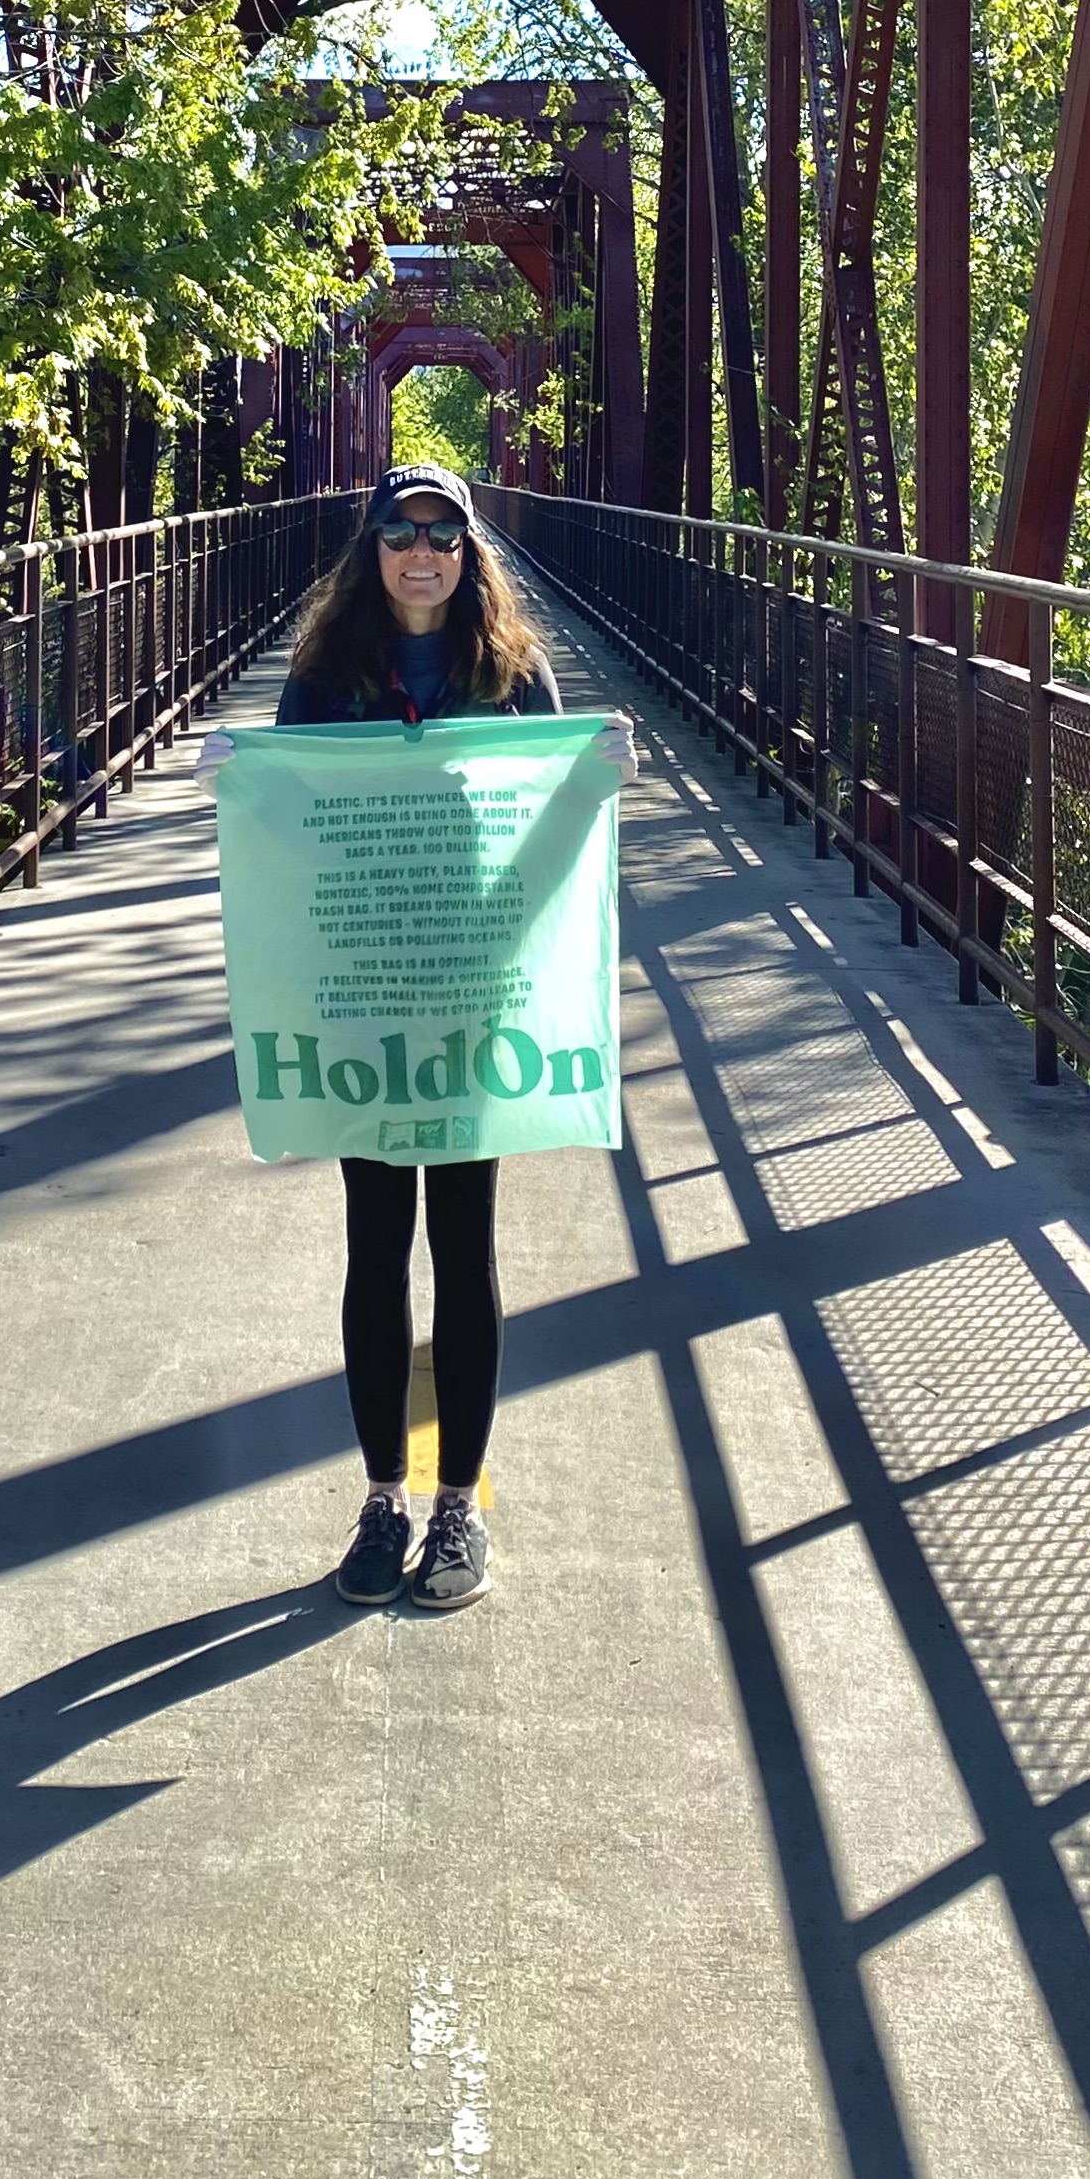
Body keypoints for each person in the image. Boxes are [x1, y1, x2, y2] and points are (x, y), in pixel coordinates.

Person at [200, 463, 633, 1618]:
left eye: (443, 534)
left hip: (473, 987)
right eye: (400, 533)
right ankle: (383, 1497)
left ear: (471, 552)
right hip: (366, 991)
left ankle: (458, 1506)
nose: (421, 553)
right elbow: (291, 827)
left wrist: (596, 781)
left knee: (466, 1240)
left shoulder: (515, 672)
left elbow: (548, 816)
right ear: (372, 550)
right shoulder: (325, 678)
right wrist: (240, 786)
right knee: (376, 1242)